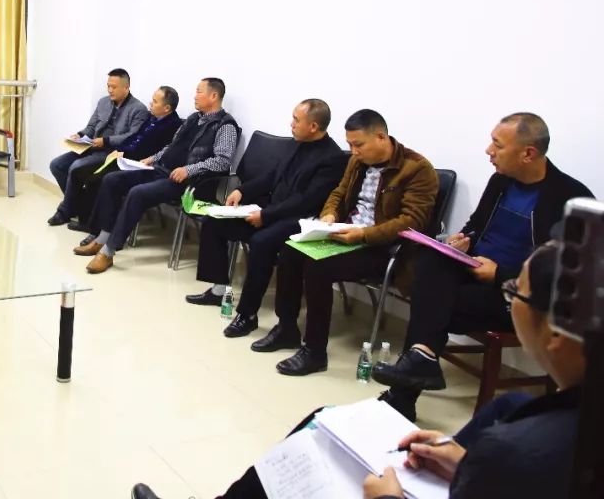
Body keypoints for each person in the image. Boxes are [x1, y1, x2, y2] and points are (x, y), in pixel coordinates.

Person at [131, 242, 584, 499]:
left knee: (320, 450)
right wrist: (464, 465)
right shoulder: (514, 416)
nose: (510, 297)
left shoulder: (517, 450)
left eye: (514, 292)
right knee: (326, 421)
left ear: (557, 334)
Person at [373, 113, 593, 420]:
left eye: (498, 145)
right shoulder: (500, 181)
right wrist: (462, 241)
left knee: (434, 302)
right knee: (430, 261)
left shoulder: (569, 198)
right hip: (473, 270)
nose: (489, 151)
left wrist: (500, 274)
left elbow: (564, 272)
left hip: (513, 294)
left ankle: (405, 390)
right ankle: (420, 363)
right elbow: (476, 225)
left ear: (528, 153)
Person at [251, 109, 437, 376]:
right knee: (290, 251)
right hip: (346, 234)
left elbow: (411, 222)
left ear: (381, 137)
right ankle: (286, 328)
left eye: (358, 144)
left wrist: (363, 235)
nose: (353, 151)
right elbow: (338, 193)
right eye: (350, 144)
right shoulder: (357, 162)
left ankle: (314, 351)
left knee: (318, 266)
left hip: (381, 247)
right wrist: (330, 215)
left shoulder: (417, 169)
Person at [185, 99, 347, 340]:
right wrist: (242, 191)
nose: (291, 124)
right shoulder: (295, 144)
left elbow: (306, 201)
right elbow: (272, 176)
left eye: (296, 120)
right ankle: (219, 289)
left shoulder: (332, 158)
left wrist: (265, 215)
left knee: (261, 243)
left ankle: (247, 315)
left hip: (297, 220)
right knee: (214, 221)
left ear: (313, 126)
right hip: (271, 209)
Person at [77, 78, 239, 274]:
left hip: (188, 183)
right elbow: (172, 146)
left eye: (199, 91)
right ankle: (102, 237)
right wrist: (152, 158)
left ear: (213, 96)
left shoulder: (225, 126)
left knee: (137, 193)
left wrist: (189, 170)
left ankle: (108, 252)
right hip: (162, 170)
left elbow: (222, 161)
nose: (194, 96)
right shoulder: (193, 119)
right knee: (112, 180)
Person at [67, 86, 183, 235]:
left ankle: (96, 229)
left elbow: (148, 149)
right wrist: (120, 150)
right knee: (84, 172)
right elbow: (134, 137)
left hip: (140, 164)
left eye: (155, 101)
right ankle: (84, 219)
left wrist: (124, 153)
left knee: (101, 178)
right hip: (126, 157)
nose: (150, 104)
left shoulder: (173, 126)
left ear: (167, 108)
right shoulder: (152, 118)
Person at [47, 68, 150, 226]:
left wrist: (106, 141)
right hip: (91, 147)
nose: (110, 90)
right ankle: (80, 206)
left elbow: (132, 137)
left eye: (114, 87)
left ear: (126, 87)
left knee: (76, 167)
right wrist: (80, 135)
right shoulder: (103, 102)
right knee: (57, 165)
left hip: (112, 153)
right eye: (108, 86)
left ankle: (65, 211)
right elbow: (91, 127)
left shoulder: (138, 109)